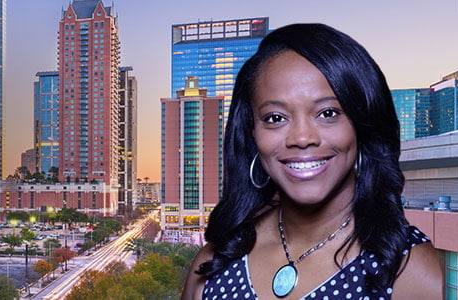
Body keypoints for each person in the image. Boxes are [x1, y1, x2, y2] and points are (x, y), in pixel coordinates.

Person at [181, 24, 441, 299]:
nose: (302, 138)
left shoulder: (413, 272)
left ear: (362, 125)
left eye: (328, 113)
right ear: (252, 133)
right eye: (275, 118)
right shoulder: (215, 263)